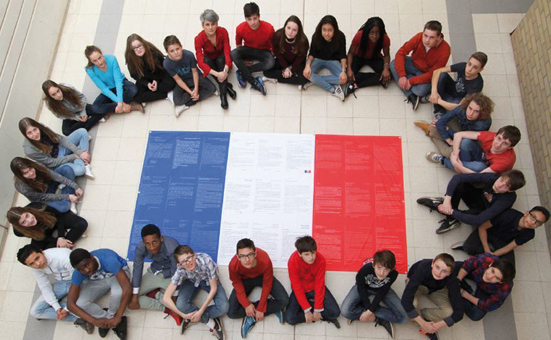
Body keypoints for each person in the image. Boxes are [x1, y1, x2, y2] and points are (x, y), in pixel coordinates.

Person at [417, 170, 526, 234]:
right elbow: (458, 178)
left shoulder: (506, 200)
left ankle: (446, 213)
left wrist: (451, 212)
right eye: (502, 180)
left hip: (483, 211)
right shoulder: (493, 177)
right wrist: (447, 199)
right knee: (461, 185)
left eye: (505, 187)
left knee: (474, 217)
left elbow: (479, 220)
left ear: (511, 190)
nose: (499, 185)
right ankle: (445, 205)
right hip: (478, 197)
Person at [17, 245, 94, 333]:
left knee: (83, 302)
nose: (37, 264)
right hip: (61, 283)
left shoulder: (63, 256)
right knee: (35, 312)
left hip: (79, 281)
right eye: (32, 264)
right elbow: (44, 286)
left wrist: (67, 308)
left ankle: (74, 310)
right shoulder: (36, 268)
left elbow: (78, 281)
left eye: (37, 258)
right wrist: (57, 308)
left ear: (42, 252)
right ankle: (78, 318)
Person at [162, 245, 227, 338]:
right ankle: (209, 321)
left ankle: (194, 317)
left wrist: (200, 312)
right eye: (183, 261)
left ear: (194, 255)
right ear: (180, 264)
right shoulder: (180, 269)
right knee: (180, 306)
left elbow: (214, 288)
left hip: (208, 280)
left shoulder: (206, 261)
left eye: (189, 258)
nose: (188, 262)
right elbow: (166, 297)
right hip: (192, 281)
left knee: (224, 307)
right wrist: (183, 315)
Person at [227, 238, 288, 338]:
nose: (247, 260)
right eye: (242, 256)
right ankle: (272, 307)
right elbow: (236, 282)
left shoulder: (264, 259)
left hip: (262, 277)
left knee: (284, 300)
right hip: (244, 280)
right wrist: (246, 304)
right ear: (238, 257)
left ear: (255, 254)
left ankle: (252, 317)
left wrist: (261, 308)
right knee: (231, 313)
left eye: (250, 255)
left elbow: (267, 283)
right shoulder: (233, 265)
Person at [340, 250, 408, 338]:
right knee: (345, 311)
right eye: (379, 268)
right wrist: (368, 306)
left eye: (386, 269)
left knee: (404, 318)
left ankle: (362, 310)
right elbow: (360, 286)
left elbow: (383, 292)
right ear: (373, 265)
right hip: (365, 287)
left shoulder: (394, 274)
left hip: (382, 290)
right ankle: (379, 319)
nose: (381, 273)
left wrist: (370, 311)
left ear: (391, 269)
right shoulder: (366, 269)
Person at [453, 206, 550, 267]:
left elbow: (509, 247)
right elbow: (483, 228)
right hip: (489, 232)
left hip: (503, 242)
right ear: (526, 213)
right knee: (468, 247)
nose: (533, 222)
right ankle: (472, 248)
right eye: (533, 217)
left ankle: (482, 253)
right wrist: (486, 249)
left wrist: (493, 255)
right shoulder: (508, 215)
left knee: (509, 268)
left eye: (538, 223)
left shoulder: (529, 234)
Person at [67, 248, 131, 339]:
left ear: (92, 257)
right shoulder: (78, 273)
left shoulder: (109, 260)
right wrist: (94, 321)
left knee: (118, 293)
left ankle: (115, 317)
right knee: (80, 303)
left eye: (87, 265)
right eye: (81, 269)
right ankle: (108, 319)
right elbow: (70, 304)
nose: (86, 271)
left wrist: (119, 315)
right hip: (97, 279)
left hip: (116, 274)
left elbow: (127, 288)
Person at [390, 21, 451, 110]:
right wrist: (402, 75)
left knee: (420, 91)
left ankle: (410, 88)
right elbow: (401, 52)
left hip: (426, 73)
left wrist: (411, 81)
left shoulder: (445, 50)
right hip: (413, 63)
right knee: (393, 64)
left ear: (438, 37)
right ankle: (410, 95)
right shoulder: (418, 37)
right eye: (425, 35)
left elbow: (433, 73)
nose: (427, 40)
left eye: (432, 37)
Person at [401, 254, 463, 340]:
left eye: (444, 271)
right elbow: (405, 300)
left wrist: (436, 326)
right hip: (420, 285)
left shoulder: (452, 279)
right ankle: (421, 324)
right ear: (432, 264)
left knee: (448, 311)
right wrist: (423, 324)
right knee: (412, 303)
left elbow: (459, 313)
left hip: (438, 289)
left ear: (449, 273)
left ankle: (425, 317)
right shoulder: (422, 268)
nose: (438, 273)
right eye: (437, 267)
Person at [285, 236, 341, 329]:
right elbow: (296, 286)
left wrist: (317, 309)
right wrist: (307, 310)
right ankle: (311, 312)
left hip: (315, 288)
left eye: (313, 253)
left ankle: (314, 312)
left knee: (335, 312)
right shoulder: (292, 261)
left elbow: (319, 284)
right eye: (306, 254)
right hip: (300, 289)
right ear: (300, 254)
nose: (311, 257)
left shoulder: (321, 260)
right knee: (290, 319)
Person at [415, 92, 493, 158]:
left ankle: (431, 135)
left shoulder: (482, 124)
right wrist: (449, 141)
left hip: (467, 140)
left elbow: (466, 140)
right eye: (470, 108)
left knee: (448, 153)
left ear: (481, 112)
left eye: (476, 111)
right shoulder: (462, 108)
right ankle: (432, 132)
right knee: (433, 127)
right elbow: (440, 122)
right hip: (458, 126)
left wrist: (448, 130)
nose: (471, 113)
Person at [20, 117, 94, 179]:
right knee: (80, 170)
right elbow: (52, 163)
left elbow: (60, 139)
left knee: (83, 132)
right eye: (29, 133)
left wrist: (79, 152)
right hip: (55, 162)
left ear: (37, 127)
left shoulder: (42, 127)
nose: (34, 134)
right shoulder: (29, 150)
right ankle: (83, 158)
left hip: (60, 148)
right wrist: (74, 156)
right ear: (25, 135)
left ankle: (83, 159)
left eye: (35, 129)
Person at [129, 225, 180, 315]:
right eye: (147, 244)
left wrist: (174, 299)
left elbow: (176, 272)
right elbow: (137, 270)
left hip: (170, 275)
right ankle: (165, 308)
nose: (152, 247)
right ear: (143, 243)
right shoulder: (141, 248)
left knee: (179, 306)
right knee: (129, 298)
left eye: (154, 242)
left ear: (161, 238)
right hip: (155, 272)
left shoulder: (172, 247)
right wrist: (134, 297)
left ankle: (156, 294)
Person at [427, 125, 520, 174]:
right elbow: (459, 134)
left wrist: (456, 164)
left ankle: (444, 161)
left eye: (505, 143)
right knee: (466, 142)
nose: (498, 144)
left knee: (478, 167)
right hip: (480, 157)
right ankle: (432, 134)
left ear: (510, 147)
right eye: (499, 138)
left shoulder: (505, 161)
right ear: (495, 135)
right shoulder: (491, 136)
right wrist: (455, 155)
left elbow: (479, 176)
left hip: (487, 173)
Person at [163, 35, 216, 117]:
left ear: (181, 47)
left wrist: (196, 88)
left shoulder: (189, 55)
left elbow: (194, 72)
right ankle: (189, 96)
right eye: (172, 51)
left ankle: (186, 104)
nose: (176, 52)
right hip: (182, 80)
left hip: (194, 77)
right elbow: (178, 80)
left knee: (212, 89)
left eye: (177, 49)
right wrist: (191, 92)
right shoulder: (166, 63)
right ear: (167, 52)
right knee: (177, 101)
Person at [195, 9, 237, 109]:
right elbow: (200, 61)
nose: (211, 28)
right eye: (207, 24)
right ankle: (226, 89)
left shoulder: (223, 31)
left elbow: (227, 50)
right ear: (202, 26)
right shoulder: (198, 39)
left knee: (221, 59)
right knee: (206, 61)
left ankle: (222, 94)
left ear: (217, 24)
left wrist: (225, 70)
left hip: (221, 58)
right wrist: (218, 74)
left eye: (213, 24)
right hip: (209, 59)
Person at [231, 2, 275, 95]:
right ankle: (253, 81)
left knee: (271, 62)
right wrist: (243, 59)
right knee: (233, 53)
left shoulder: (269, 28)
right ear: (245, 18)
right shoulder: (240, 28)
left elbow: (273, 44)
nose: (252, 22)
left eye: (255, 18)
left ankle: (243, 71)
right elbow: (239, 44)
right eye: (249, 19)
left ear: (259, 16)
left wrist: (272, 54)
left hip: (263, 51)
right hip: (248, 49)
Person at [11, 157, 82, 214]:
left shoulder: (37, 166)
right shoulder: (22, 187)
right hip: (42, 197)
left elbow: (54, 176)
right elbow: (44, 197)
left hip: (49, 184)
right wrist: (67, 196)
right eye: (26, 173)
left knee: (67, 169)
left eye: (30, 169)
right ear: (20, 175)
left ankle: (69, 196)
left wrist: (76, 186)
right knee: (64, 208)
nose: (31, 173)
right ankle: (69, 196)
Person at [84, 45, 142, 114]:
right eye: (95, 61)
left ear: (102, 54)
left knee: (133, 89)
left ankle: (114, 105)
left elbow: (118, 81)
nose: (99, 62)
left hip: (120, 82)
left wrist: (119, 102)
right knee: (95, 107)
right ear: (91, 61)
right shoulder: (89, 70)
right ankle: (127, 106)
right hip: (108, 88)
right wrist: (120, 103)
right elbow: (104, 88)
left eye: (100, 58)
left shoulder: (112, 59)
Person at [456, 254, 515, 321]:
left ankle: (463, 292)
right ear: (491, 265)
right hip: (476, 274)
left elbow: (488, 306)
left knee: (475, 315)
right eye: (492, 271)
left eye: (496, 278)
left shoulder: (504, 288)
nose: (489, 277)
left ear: (501, 281)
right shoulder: (486, 259)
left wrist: (465, 294)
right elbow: (467, 265)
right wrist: (458, 280)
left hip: (485, 290)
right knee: (453, 267)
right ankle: (462, 286)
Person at [303, 15, 347, 101]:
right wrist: (307, 65)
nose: (327, 33)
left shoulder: (340, 36)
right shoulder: (316, 36)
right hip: (318, 59)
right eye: (324, 30)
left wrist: (343, 71)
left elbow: (342, 55)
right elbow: (312, 53)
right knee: (306, 73)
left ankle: (315, 81)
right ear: (321, 29)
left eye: (330, 30)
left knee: (343, 79)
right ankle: (333, 90)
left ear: (335, 30)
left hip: (333, 60)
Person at [8, 202, 87, 250]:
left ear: (27, 211)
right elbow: (40, 237)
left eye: (27, 216)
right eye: (24, 222)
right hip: (42, 233)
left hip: (53, 221)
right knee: (41, 252)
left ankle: (63, 245)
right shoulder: (18, 232)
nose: (29, 220)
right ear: (20, 226)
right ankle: (65, 244)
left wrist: (61, 236)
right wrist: (56, 241)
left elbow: (59, 216)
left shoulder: (37, 206)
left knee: (82, 223)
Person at [345, 16, 391, 97]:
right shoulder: (359, 36)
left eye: (377, 33)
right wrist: (349, 69)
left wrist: (386, 69)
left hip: (374, 57)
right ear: (367, 32)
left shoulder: (385, 38)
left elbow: (386, 55)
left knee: (389, 75)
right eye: (371, 33)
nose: (374, 36)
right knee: (346, 73)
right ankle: (375, 78)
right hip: (359, 56)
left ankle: (356, 84)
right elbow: (350, 53)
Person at [124, 34, 176, 105]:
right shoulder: (130, 58)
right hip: (146, 78)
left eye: (140, 45)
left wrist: (156, 81)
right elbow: (135, 75)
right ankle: (166, 94)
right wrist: (147, 84)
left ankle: (159, 91)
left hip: (159, 75)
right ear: (131, 50)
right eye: (135, 48)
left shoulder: (154, 52)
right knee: (138, 96)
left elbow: (162, 68)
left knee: (171, 83)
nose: (138, 49)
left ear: (143, 44)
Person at [262, 15, 309, 89]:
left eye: (294, 30)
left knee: (304, 79)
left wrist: (292, 70)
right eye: (288, 28)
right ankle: (290, 78)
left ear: (298, 32)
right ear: (285, 27)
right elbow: (277, 53)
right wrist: (286, 68)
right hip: (283, 59)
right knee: (266, 72)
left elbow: (301, 58)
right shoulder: (278, 35)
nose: (290, 32)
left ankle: (279, 79)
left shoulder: (303, 41)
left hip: (296, 62)